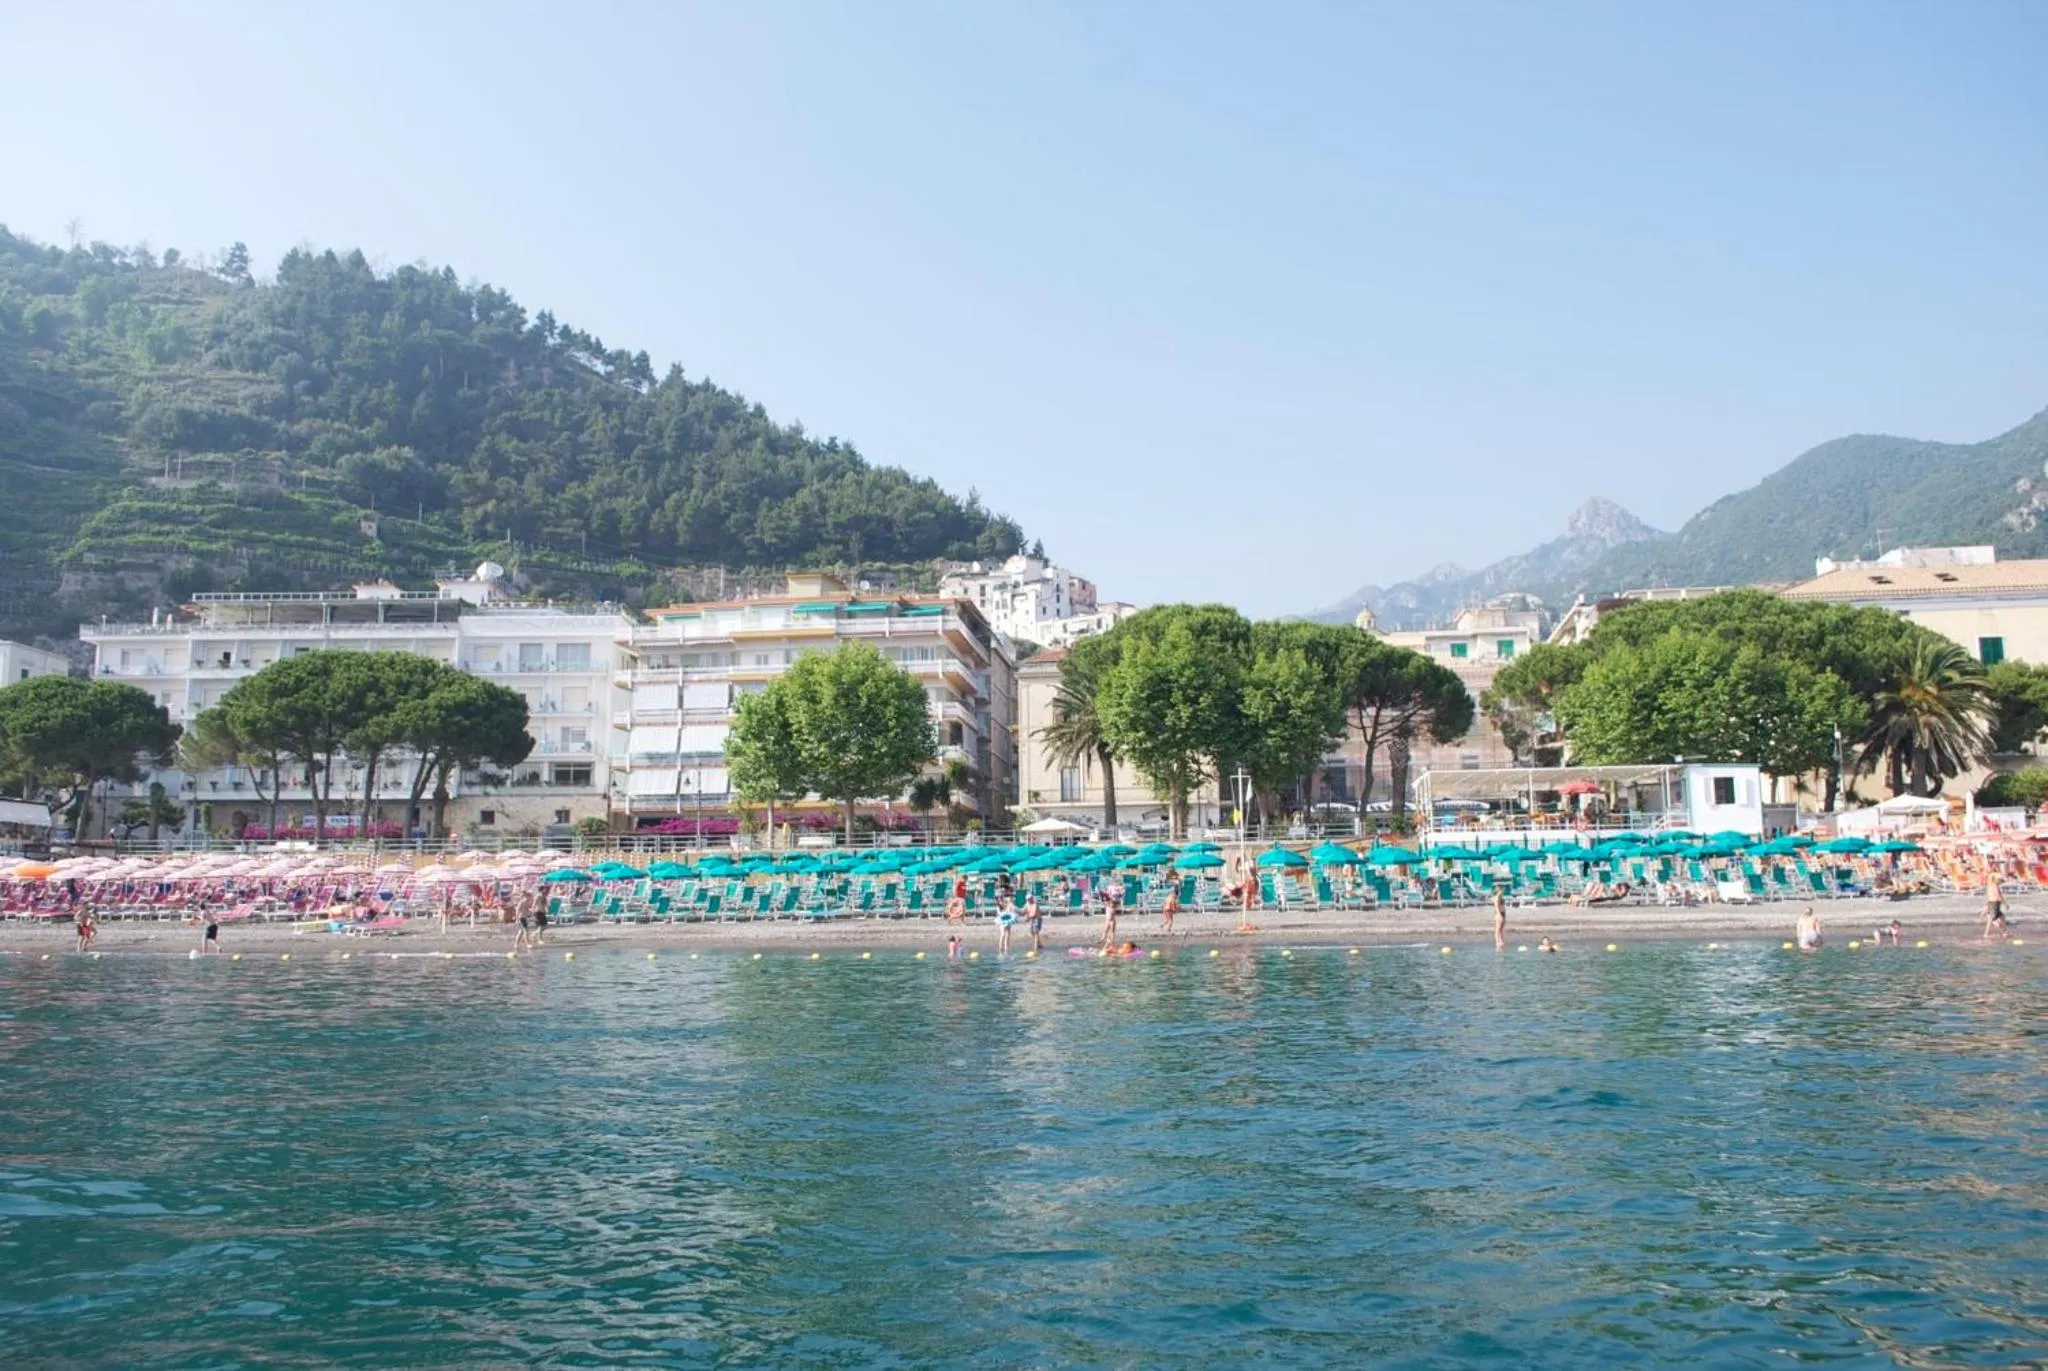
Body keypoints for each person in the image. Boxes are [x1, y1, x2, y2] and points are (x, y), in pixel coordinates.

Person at [1982, 873, 2007, 939]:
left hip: (1992, 903)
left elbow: (1988, 896)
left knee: (2002, 917)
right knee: (1991, 919)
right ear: (1996, 880)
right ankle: (1986, 934)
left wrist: (1986, 906)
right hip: (1995, 903)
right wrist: (2005, 904)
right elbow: (1999, 896)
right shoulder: (1995, 886)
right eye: (2000, 881)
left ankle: (2004, 933)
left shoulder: (1990, 885)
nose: (2001, 882)